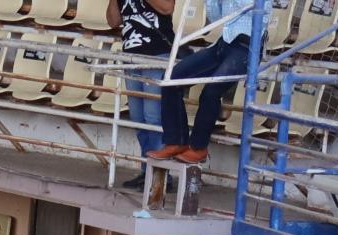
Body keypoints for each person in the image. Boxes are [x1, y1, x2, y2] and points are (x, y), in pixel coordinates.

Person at [149, 0, 257, 165]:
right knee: (171, 79)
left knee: (212, 90)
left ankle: (199, 148)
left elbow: (254, 11)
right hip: (224, 43)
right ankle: (176, 141)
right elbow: (216, 17)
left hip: (247, 46)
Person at [108, 0, 174, 176]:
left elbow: (167, 8)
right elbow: (113, 21)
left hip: (157, 55)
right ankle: (147, 171)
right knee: (138, 119)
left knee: (153, 118)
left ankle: (160, 175)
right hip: (131, 58)